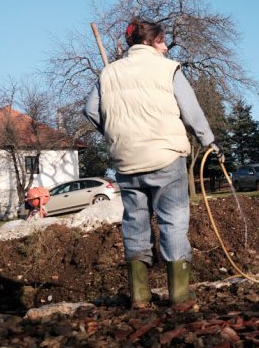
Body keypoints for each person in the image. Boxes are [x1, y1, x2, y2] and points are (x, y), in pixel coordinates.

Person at [84, 18, 221, 308]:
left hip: (127, 160)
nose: (165, 48)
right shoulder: (167, 68)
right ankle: (181, 295)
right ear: (151, 42)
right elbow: (192, 112)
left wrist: (114, 133)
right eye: (162, 42)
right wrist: (209, 142)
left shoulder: (109, 73)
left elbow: (91, 110)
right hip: (166, 157)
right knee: (173, 221)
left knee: (135, 223)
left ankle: (140, 297)